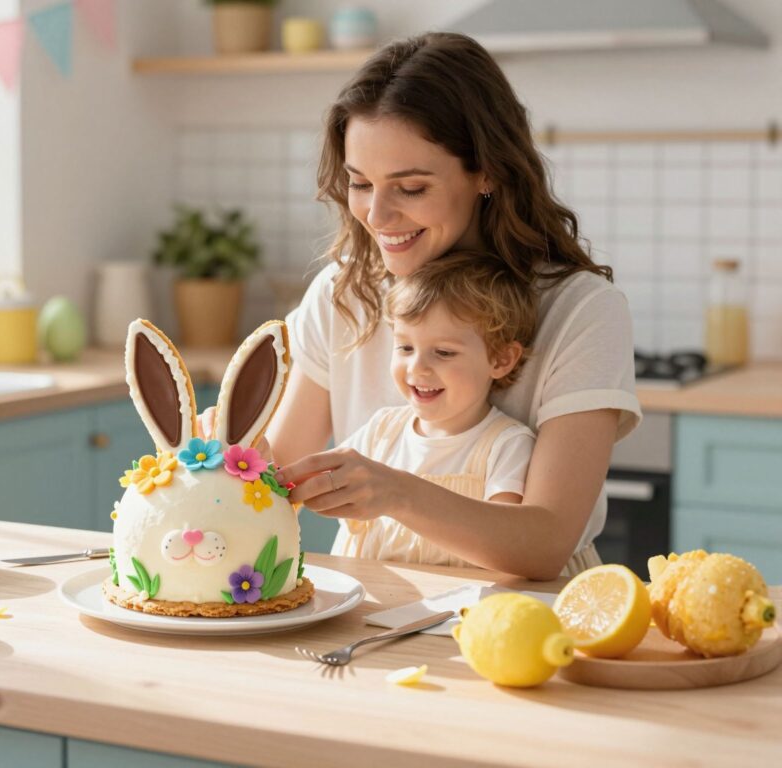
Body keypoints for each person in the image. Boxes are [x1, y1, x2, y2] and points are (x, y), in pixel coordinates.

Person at [268, 32, 642, 580]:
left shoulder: (580, 310)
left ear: (486, 171)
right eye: (360, 183)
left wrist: (397, 492)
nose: (376, 215)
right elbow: (277, 475)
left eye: (411, 188)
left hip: (527, 615)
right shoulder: (344, 293)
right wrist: (225, 465)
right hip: (378, 606)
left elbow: (544, 543)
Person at [333, 251, 538, 565]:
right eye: (405, 347)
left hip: (459, 612)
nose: (418, 367)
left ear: (500, 359)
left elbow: (505, 548)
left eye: (443, 352)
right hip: (370, 607)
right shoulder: (381, 431)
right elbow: (324, 480)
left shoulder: (506, 445)